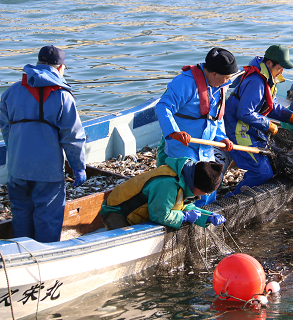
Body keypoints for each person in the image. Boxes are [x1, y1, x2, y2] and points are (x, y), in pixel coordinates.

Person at [0, 45, 86, 243]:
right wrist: (78, 168)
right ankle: (45, 259)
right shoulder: (63, 96)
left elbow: (6, 129)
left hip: (17, 169)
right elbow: (73, 138)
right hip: (47, 173)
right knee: (47, 218)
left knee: (21, 214)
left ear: (37, 63)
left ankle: (22, 255)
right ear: (60, 68)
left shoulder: (12, 92)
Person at [155, 47, 239, 206]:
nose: (228, 81)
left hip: (206, 149)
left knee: (210, 186)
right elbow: (163, 107)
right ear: (214, 74)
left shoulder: (220, 87)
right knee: (188, 188)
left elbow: (217, 118)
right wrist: (174, 132)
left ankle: (205, 217)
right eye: (227, 78)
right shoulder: (184, 83)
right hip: (184, 148)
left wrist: (223, 138)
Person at [224, 44, 293, 194]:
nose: (281, 72)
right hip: (238, 128)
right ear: (269, 63)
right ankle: (232, 198)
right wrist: (268, 124)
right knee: (262, 172)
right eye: (280, 68)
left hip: (250, 126)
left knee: (269, 163)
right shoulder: (256, 81)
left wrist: (292, 116)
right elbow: (244, 113)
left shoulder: (268, 78)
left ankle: (245, 186)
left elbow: (271, 105)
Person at [100, 157, 226, 230]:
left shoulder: (184, 179)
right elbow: (160, 215)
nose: (204, 195)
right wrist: (184, 217)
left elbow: (183, 206)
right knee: (124, 248)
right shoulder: (168, 184)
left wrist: (207, 216)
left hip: (138, 214)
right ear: (197, 184)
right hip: (117, 212)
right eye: (206, 192)